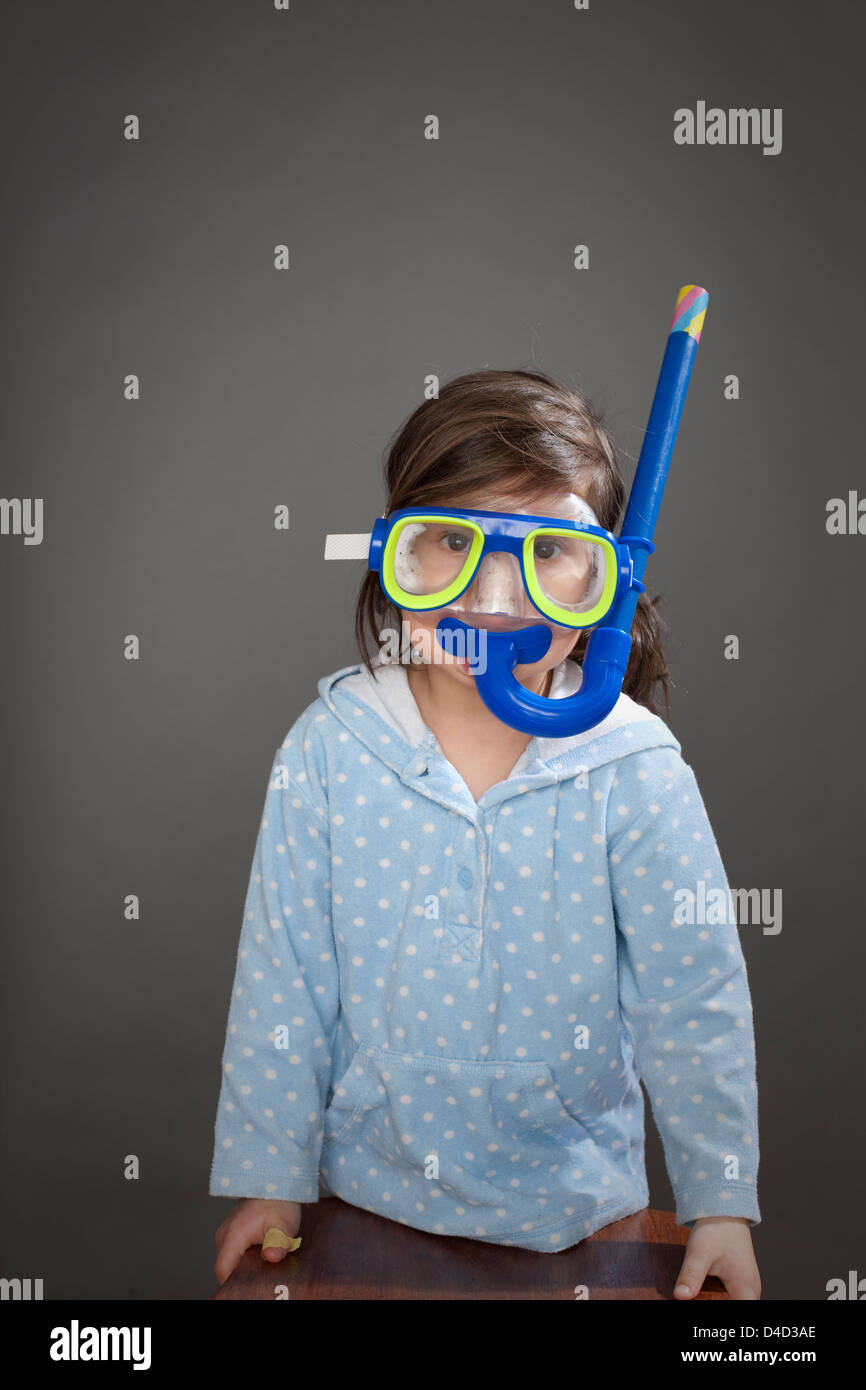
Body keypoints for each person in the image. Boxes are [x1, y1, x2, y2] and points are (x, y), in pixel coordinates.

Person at [210, 369, 761, 1299]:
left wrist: (721, 1205)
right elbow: (284, 982)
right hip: (368, 1213)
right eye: (449, 544)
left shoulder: (631, 765)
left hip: (583, 1223)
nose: (495, 597)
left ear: (607, 577)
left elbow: (692, 999)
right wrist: (270, 1182)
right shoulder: (329, 753)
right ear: (395, 555)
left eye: (549, 551)